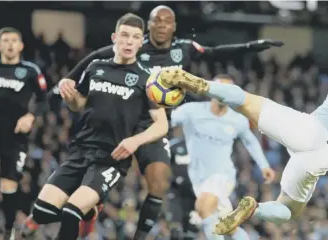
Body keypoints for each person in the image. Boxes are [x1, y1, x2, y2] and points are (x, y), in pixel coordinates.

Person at [50, 5, 283, 238]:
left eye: (167, 22)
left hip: (155, 120)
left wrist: (251, 47)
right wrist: (69, 79)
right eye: (156, 21)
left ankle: (139, 234)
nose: (161, 26)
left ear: (174, 27)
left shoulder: (184, 49)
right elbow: (97, 55)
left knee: (163, 183)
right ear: (148, 25)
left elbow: (215, 52)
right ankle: (88, 202)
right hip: (126, 116)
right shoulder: (136, 46)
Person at [155, 30, 328, 235]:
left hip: (312, 131)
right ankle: (255, 209)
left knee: (246, 102)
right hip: (323, 158)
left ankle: (198, 83)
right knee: (288, 211)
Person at [20, 13, 168, 240]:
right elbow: (80, 105)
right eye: (125, 35)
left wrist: (134, 141)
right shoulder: (96, 66)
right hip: (79, 151)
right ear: (114, 38)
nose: (129, 41)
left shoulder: (148, 79)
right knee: (42, 212)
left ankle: (85, 210)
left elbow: (162, 125)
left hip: (111, 159)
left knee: (71, 212)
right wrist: (70, 96)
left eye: (135, 37)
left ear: (141, 42)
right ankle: (90, 212)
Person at [170, 74, 276, 240]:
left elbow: (250, 141)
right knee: (225, 224)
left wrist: (264, 165)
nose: (223, 95)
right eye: (220, 89)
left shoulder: (237, 120)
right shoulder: (191, 110)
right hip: (198, 177)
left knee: (203, 208)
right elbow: (167, 122)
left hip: (222, 175)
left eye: (228, 91)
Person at [0, 27, 48, 239]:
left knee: (8, 185)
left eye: (14, 40)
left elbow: (43, 99)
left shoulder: (30, 70)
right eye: (6, 40)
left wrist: (30, 116)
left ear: (21, 46)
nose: (10, 44)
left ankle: (8, 230)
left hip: (15, 138)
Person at [166, 127, 200, 240]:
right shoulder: (173, 145)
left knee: (192, 231)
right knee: (175, 229)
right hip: (177, 193)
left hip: (195, 195)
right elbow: (163, 164)